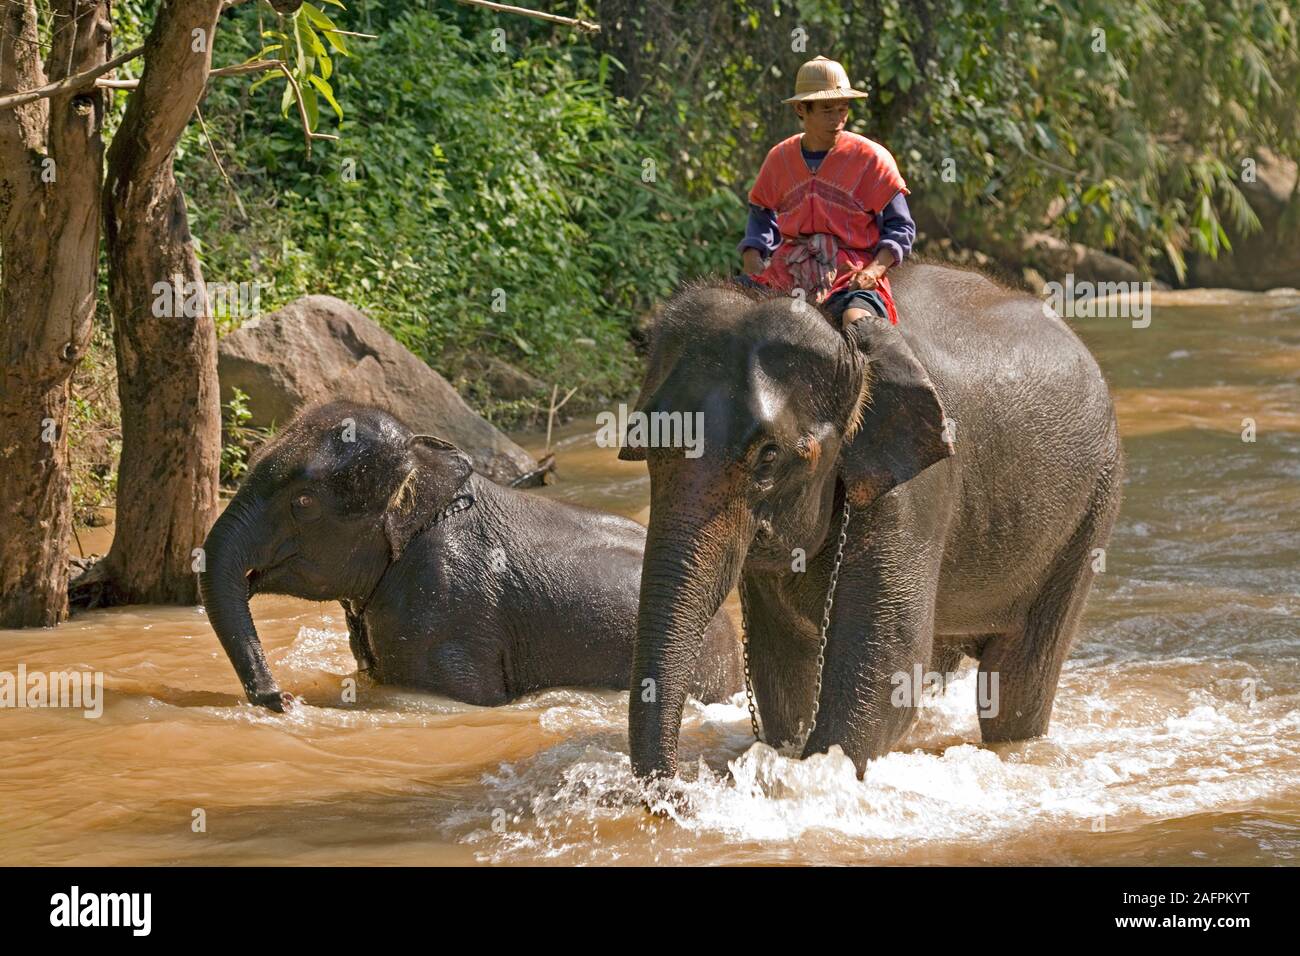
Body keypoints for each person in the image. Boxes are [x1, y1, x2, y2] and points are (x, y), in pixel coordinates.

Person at [739, 55, 915, 328]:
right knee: (723, 310)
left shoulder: (871, 158)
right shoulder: (780, 158)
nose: (838, 119)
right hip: (787, 270)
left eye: (843, 109)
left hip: (850, 274)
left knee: (858, 323)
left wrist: (874, 270)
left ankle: (899, 372)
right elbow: (760, 213)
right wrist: (753, 258)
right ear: (801, 109)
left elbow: (900, 227)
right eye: (827, 110)